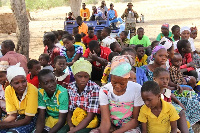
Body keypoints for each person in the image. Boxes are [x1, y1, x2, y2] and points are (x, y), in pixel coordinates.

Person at [94, 56, 143, 133]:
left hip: (129, 127)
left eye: (122, 83)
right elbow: (105, 120)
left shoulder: (137, 89)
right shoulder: (104, 90)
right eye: (114, 82)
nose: (117, 86)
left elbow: (135, 120)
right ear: (111, 78)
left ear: (128, 78)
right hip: (111, 125)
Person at [153, 67, 200, 133]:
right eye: (162, 79)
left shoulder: (166, 91)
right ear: (154, 79)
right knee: (179, 112)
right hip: (160, 113)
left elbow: (170, 100)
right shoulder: (153, 92)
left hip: (169, 110)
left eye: (167, 79)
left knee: (182, 111)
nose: (165, 81)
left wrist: (179, 104)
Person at [0, 63, 38, 132]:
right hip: (18, 116)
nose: (21, 85)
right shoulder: (8, 90)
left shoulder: (32, 90)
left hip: (31, 118)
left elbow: (28, 120)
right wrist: (2, 124)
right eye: (16, 83)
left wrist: (4, 125)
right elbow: (12, 115)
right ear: (11, 84)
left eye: (23, 81)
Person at [66, 58, 100, 133]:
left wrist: (73, 130)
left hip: (89, 122)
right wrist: (71, 127)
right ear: (74, 76)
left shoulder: (94, 89)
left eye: (86, 76)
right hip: (75, 119)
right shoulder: (71, 87)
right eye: (80, 76)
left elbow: (90, 116)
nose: (83, 79)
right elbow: (70, 110)